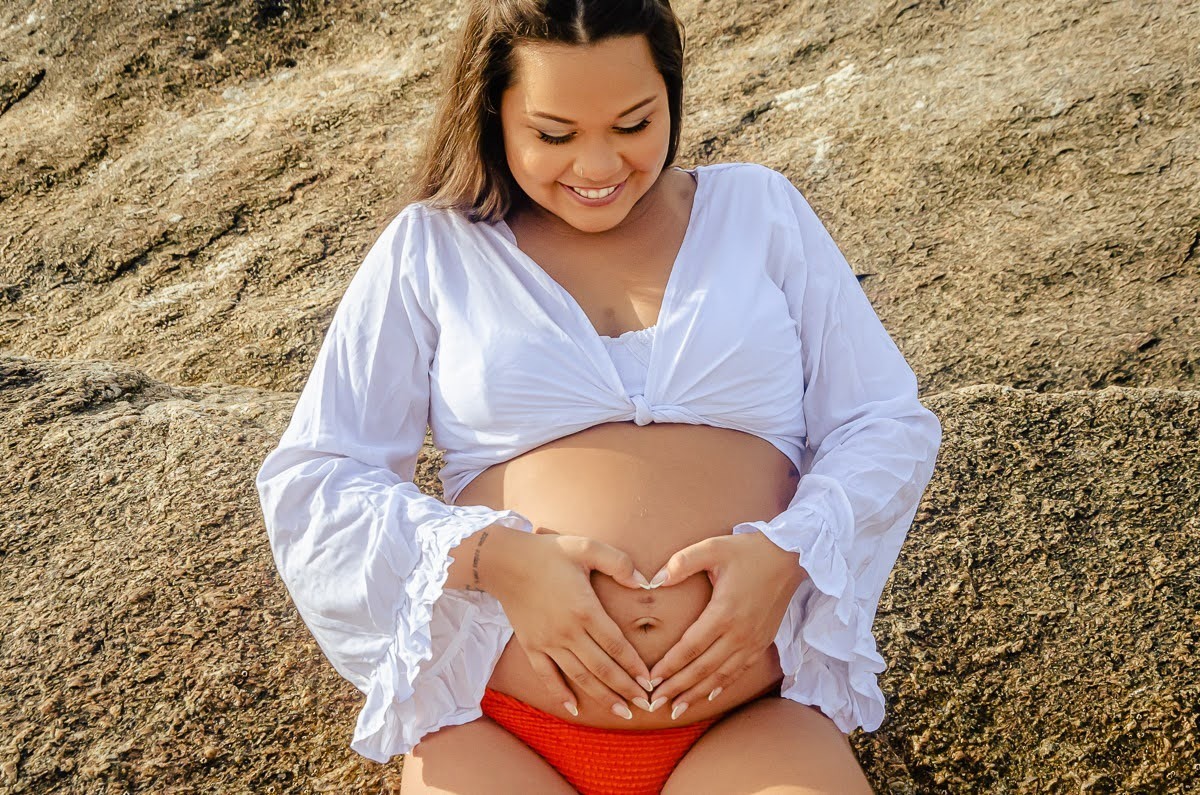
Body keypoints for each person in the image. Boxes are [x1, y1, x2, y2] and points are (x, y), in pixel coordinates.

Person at [254, 1, 943, 793]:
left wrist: (790, 553)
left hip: (750, 725)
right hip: (503, 731)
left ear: (671, 96)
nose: (598, 165)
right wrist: (494, 560)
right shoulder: (432, 248)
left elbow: (883, 421)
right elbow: (316, 477)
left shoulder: (758, 210)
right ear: (492, 115)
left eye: (633, 123)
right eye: (554, 135)